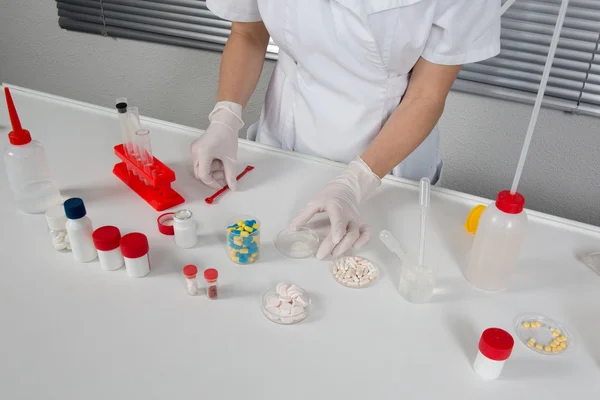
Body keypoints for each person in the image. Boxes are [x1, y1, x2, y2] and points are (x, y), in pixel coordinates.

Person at [192, 0, 501, 260]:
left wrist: (355, 183)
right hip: (285, 133)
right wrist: (225, 117)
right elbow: (248, 33)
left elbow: (427, 94)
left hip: (387, 161)